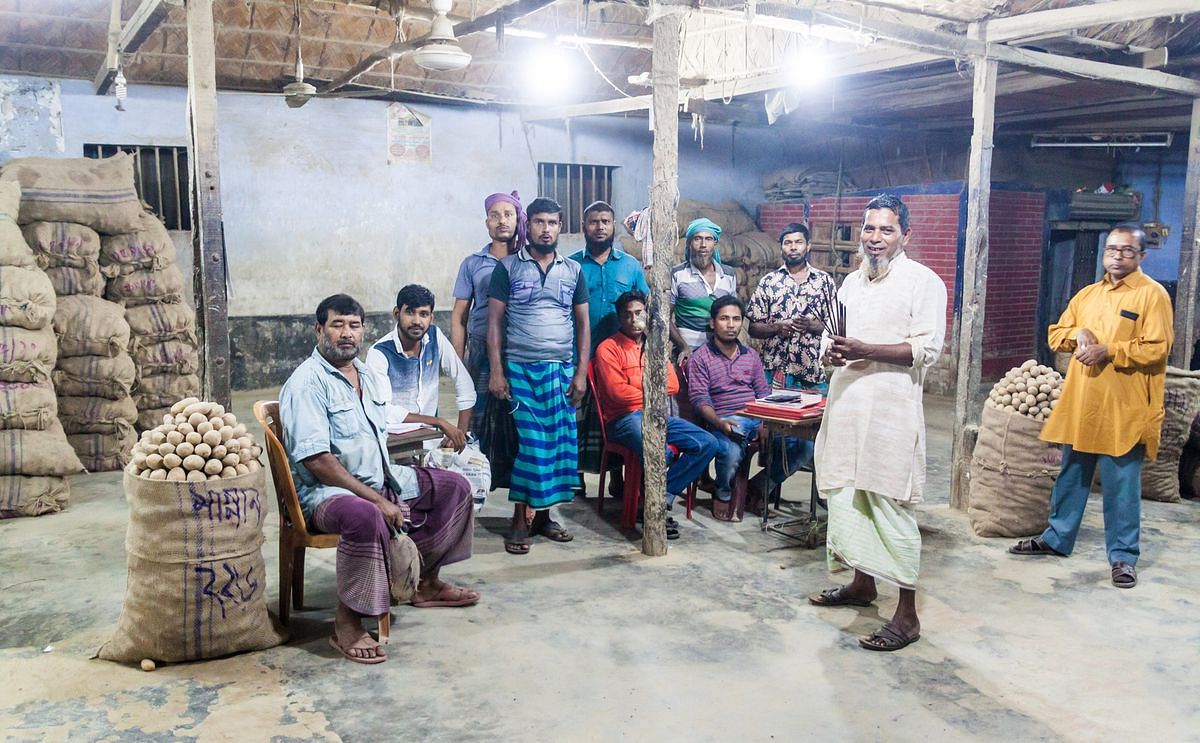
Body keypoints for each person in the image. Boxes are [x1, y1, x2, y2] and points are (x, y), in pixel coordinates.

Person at [280, 294, 479, 665]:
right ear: (318, 329)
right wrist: (377, 500)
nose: (346, 334)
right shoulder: (308, 383)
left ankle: (426, 582)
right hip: (327, 493)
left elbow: (386, 416)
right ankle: (348, 621)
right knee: (365, 515)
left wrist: (431, 423)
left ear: (363, 330)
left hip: (380, 477)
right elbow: (318, 461)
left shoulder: (367, 375)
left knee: (455, 488)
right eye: (337, 325)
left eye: (354, 325)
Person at [807, 194, 947, 653]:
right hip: (847, 405)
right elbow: (832, 337)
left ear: (906, 235)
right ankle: (862, 584)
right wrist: (829, 351)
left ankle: (906, 615)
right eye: (869, 229)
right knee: (850, 496)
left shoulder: (923, 282)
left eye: (886, 230)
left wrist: (867, 349)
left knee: (889, 505)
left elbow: (926, 349)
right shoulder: (850, 284)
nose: (875, 238)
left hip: (890, 411)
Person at [1009, 225, 1173, 589]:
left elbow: (1157, 348)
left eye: (1127, 251)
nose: (1117, 256)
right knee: (1072, 474)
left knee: (1121, 483)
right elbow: (1056, 334)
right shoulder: (1088, 295)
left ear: (1141, 257)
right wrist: (1077, 335)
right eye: (1111, 249)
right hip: (1083, 402)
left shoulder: (1152, 296)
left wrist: (1109, 350)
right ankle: (1057, 538)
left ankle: (1123, 557)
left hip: (1124, 405)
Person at [487, 197, 590, 555]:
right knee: (530, 447)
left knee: (559, 447)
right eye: (539, 222)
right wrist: (497, 371)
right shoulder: (508, 268)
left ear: (561, 226)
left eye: (553, 223)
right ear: (526, 224)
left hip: (561, 371)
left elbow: (582, 325)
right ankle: (519, 518)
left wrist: (581, 372)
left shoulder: (573, 271)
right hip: (521, 372)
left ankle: (544, 517)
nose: (546, 229)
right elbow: (495, 322)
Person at [593, 290, 720, 539]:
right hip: (623, 419)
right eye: (627, 314)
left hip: (656, 416)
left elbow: (671, 386)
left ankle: (659, 500)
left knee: (708, 443)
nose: (633, 319)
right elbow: (617, 394)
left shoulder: (655, 346)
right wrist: (651, 388)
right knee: (658, 452)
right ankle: (652, 508)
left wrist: (640, 386)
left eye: (638, 313)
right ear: (620, 318)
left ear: (646, 315)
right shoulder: (608, 349)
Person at [688, 296, 811, 521]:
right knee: (732, 451)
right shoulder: (701, 357)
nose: (731, 324)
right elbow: (700, 399)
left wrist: (765, 422)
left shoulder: (751, 356)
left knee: (804, 446)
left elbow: (763, 394)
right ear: (712, 323)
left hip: (756, 417)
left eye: (736, 319)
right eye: (724, 318)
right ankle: (723, 491)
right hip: (723, 419)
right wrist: (719, 422)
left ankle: (759, 487)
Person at [569, 200, 651, 493]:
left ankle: (617, 478)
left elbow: (643, 305)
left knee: (616, 414)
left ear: (613, 225)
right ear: (584, 227)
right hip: (579, 353)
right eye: (594, 221)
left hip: (619, 358)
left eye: (605, 221)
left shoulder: (630, 265)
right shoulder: (571, 264)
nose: (600, 227)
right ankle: (575, 476)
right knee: (578, 420)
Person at [366, 284, 475, 451]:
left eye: (423, 314)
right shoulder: (379, 353)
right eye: (410, 312)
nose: (417, 321)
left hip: (431, 443)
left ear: (431, 318)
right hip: (392, 446)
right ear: (397, 314)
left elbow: (464, 383)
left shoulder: (435, 337)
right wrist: (438, 421)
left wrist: (460, 432)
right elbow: (383, 410)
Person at [450, 191, 526, 432]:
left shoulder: (528, 261)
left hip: (518, 350)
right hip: (482, 349)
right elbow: (459, 316)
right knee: (480, 420)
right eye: (495, 215)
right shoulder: (472, 263)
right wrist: (457, 362)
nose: (502, 221)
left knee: (518, 420)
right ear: (487, 223)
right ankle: (481, 468)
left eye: (508, 214)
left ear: (518, 220)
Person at [747, 222, 836, 391]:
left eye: (798, 242)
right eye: (788, 243)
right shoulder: (769, 282)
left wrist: (811, 326)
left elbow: (835, 327)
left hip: (813, 370)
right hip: (775, 369)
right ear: (781, 248)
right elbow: (753, 328)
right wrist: (776, 327)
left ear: (808, 246)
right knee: (774, 415)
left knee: (815, 415)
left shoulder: (824, 281)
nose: (793, 247)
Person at [670, 217, 737, 366]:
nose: (703, 245)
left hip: (720, 355)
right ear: (689, 243)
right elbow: (664, 317)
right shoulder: (678, 274)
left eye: (708, 239)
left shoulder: (728, 274)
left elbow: (734, 313)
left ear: (715, 243)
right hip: (688, 355)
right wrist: (683, 347)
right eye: (697, 239)